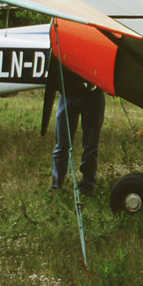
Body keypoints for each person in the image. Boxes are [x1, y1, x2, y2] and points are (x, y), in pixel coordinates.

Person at [49, 57, 105, 194]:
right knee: (62, 144)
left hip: (93, 95)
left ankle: (87, 185)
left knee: (91, 145)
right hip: (68, 95)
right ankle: (56, 185)